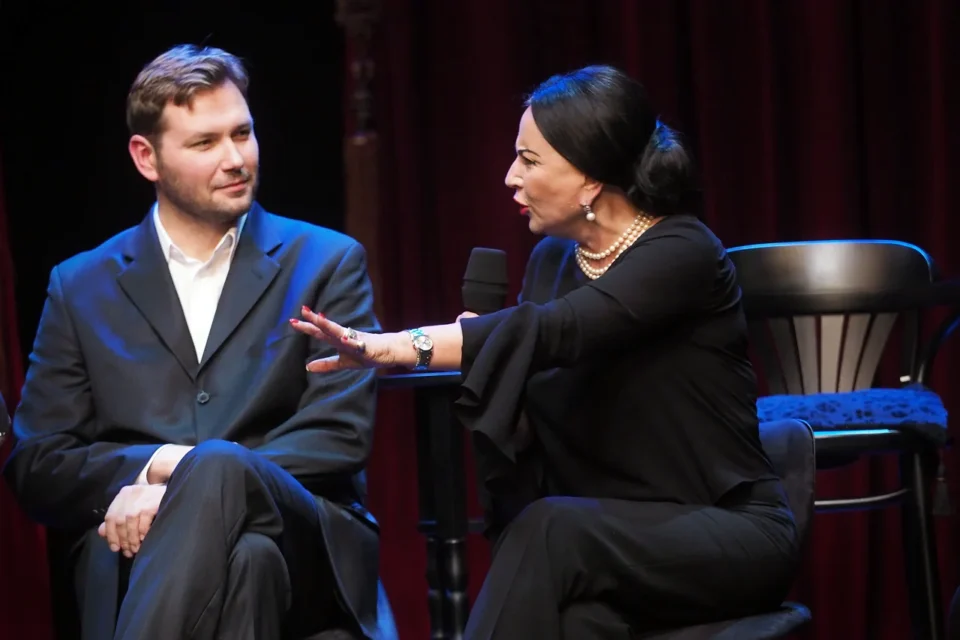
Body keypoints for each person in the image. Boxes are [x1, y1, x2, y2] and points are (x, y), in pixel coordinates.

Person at [291, 65, 801, 638]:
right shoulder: (553, 264)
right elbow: (535, 404)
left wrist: (396, 347)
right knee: (577, 617)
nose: (511, 177)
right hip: (608, 540)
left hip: (727, 532)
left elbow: (560, 330)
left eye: (529, 161)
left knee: (550, 529)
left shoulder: (682, 253)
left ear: (590, 180)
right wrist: (490, 358)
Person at [3, 44, 395, 640]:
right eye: (205, 143)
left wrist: (192, 487)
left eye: (243, 133)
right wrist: (162, 467)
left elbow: (338, 435)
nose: (236, 159)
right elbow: (38, 462)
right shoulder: (80, 284)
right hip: (152, 552)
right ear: (146, 157)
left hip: (305, 537)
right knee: (249, 563)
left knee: (229, 491)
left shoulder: (326, 262)